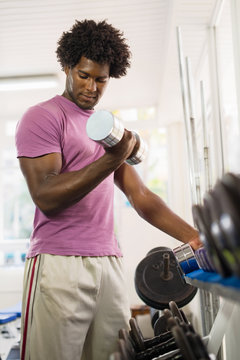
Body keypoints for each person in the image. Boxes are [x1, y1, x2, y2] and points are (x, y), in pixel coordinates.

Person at [15, 19, 202, 360]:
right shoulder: (42, 117)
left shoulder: (105, 127)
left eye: (101, 79)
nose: (92, 87)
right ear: (68, 67)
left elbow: (141, 198)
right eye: (84, 75)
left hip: (109, 263)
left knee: (115, 356)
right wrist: (112, 158)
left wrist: (195, 238)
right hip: (60, 263)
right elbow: (46, 197)